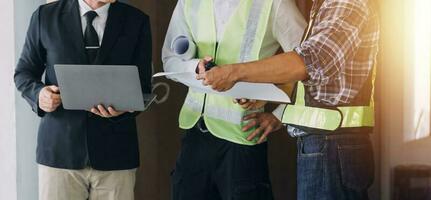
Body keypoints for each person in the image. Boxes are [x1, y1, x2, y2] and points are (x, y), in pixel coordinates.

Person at [199, 0, 380, 199]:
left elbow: (311, 61)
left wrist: (234, 73)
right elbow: (315, 85)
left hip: (332, 147)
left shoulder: (346, 4)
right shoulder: (325, 7)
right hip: (325, 145)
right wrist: (271, 94)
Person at [162, 0, 306, 199]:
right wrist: (195, 67)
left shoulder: (273, 3)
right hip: (194, 137)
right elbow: (170, 60)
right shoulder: (189, 2)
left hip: (242, 142)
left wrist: (280, 115)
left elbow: (309, 61)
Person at [14, 0, 152, 199]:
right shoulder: (45, 16)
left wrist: (127, 107)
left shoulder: (137, 20)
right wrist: (39, 95)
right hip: (60, 152)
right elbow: (24, 73)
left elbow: (143, 87)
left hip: (116, 152)